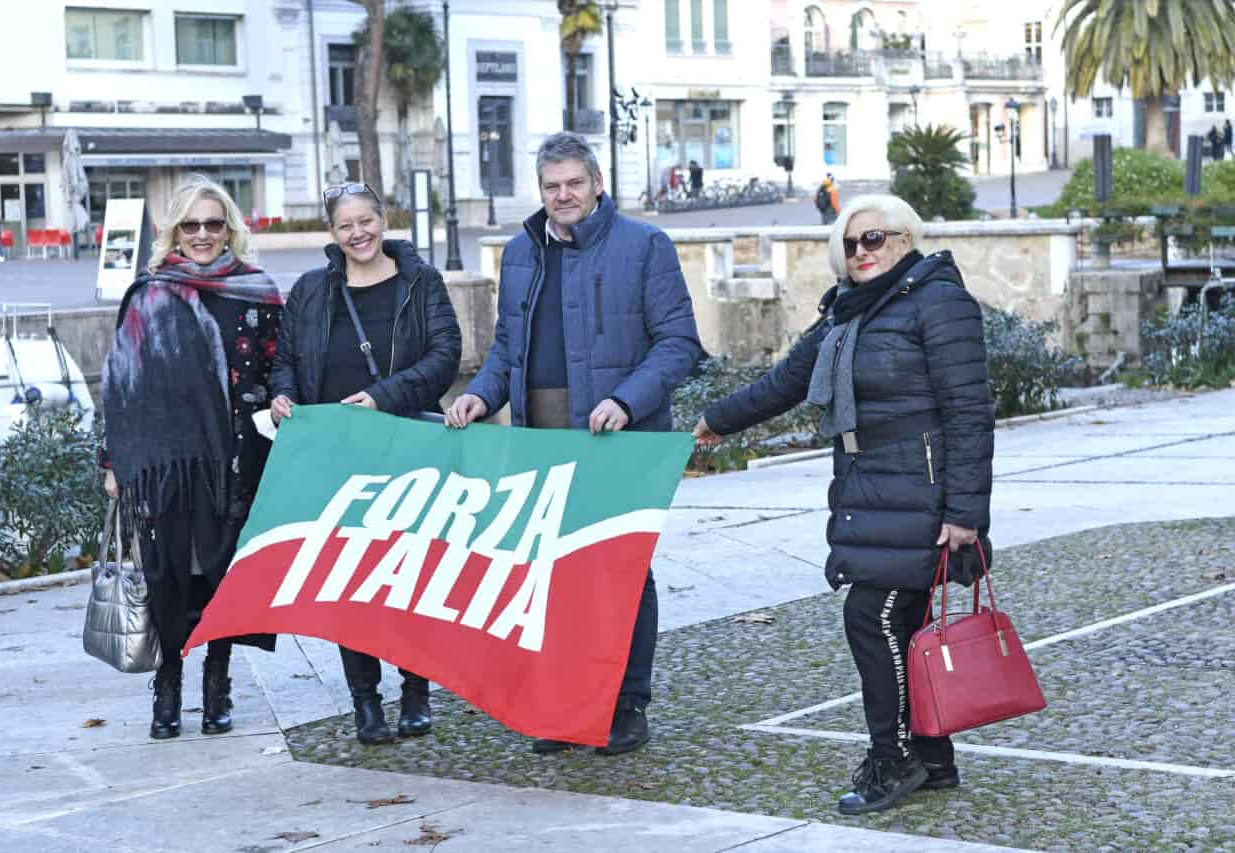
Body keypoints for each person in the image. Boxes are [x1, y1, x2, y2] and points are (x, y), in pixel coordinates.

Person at [693, 194, 994, 814]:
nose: (862, 253)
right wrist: (714, 422)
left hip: (924, 495)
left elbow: (971, 411)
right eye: (852, 244)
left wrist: (964, 512)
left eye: (875, 239)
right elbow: (785, 382)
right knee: (902, 625)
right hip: (868, 490)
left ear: (906, 238)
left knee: (872, 617)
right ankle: (933, 758)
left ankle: (894, 758)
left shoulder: (939, 302)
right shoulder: (843, 314)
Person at [445, 131, 702, 756]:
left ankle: (626, 705)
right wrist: (482, 395)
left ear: (597, 184)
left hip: (620, 437)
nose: (563, 195)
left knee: (619, 572)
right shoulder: (520, 253)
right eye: (552, 186)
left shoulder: (645, 246)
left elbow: (679, 344)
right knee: (550, 573)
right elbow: (508, 348)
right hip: (540, 439)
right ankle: (564, 705)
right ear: (541, 191)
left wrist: (626, 399)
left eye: (574, 184)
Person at [269, 182, 462, 745]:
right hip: (337, 457)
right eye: (345, 225)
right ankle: (365, 702)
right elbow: (285, 363)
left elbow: (444, 357)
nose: (358, 233)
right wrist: (281, 396)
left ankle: (417, 693)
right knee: (351, 583)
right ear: (333, 233)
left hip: (408, 449)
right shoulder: (310, 291)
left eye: (366, 221)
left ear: (384, 220)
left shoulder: (420, 282)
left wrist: (384, 396)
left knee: (408, 574)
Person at [101, 175, 283, 740]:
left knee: (224, 577)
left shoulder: (258, 291)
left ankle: (218, 683)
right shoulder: (149, 295)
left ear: (229, 227)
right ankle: (169, 683)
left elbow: (281, 367)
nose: (203, 234)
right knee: (169, 576)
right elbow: (122, 387)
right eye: (191, 224)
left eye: (213, 223)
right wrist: (113, 463)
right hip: (167, 465)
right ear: (174, 231)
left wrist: (286, 398)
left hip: (239, 459)